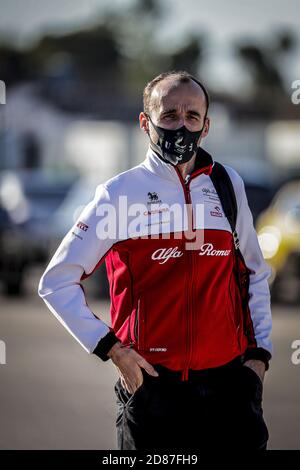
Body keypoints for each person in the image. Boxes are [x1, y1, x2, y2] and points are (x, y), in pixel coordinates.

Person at [38, 70, 272, 450]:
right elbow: (56, 281)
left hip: (231, 391)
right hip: (153, 392)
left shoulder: (228, 185)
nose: (182, 124)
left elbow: (255, 274)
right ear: (145, 122)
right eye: (170, 115)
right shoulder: (118, 193)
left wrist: (259, 358)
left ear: (206, 125)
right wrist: (113, 350)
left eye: (192, 116)